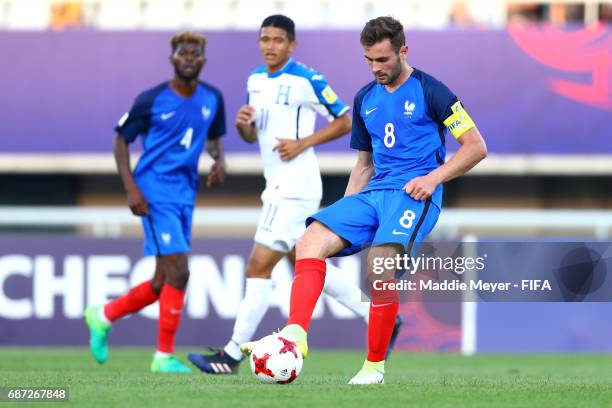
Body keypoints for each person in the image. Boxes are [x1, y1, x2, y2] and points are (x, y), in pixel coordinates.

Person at [244, 16, 487, 384]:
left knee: (379, 264)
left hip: (413, 195)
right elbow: (363, 164)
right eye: (369, 61)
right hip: (373, 192)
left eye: (383, 60)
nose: (376, 69)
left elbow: (476, 147)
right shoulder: (364, 98)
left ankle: (374, 367)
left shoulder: (432, 90)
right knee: (310, 241)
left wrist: (433, 177)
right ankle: (295, 333)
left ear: (403, 52)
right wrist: (342, 215)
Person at [187, 14, 402, 375]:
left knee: (258, 265)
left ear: (292, 44)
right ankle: (377, 315)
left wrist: (304, 143)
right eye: (264, 39)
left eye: (277, 40)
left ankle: (230, 355)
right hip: (275, 184)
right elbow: (254, 137)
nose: (270, 46)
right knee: (304, 260)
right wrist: (244, 127)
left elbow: (346, 119)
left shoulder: (307, 79)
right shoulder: (254, 80)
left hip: (296, 185)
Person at [84, 32, 226, 373]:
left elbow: (212, 137)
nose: (190, 58)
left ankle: (103, 316)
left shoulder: (213, 98)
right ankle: (163, 356)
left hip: (185, 194)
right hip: (154, 191)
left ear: (204, 60)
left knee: (163, 281)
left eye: (196, 53)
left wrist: (219, 161)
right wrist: (131, 188)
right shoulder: (151, 99)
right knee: (181, 270)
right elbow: (121, 140)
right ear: (172, 58)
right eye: (184, 53)